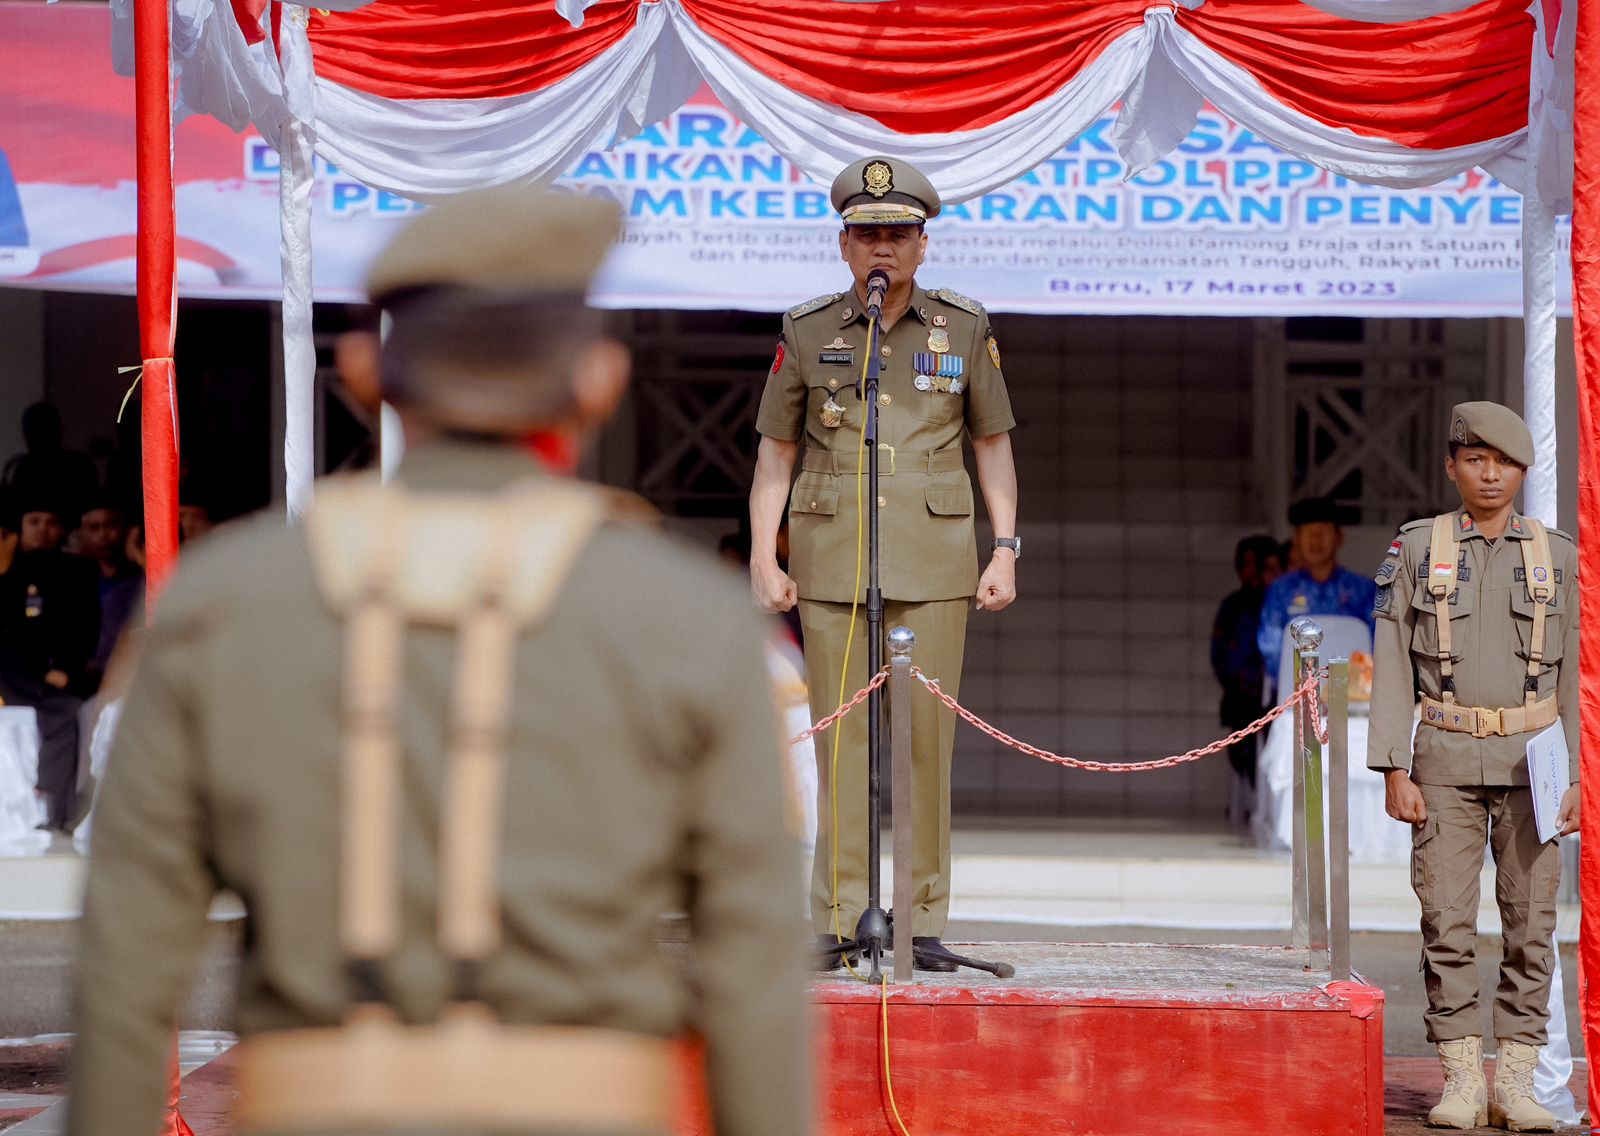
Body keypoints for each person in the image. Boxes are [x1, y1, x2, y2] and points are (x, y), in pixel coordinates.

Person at [67, 187, 809, 1136]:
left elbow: (127, 960)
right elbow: (752, 968)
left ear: (366, 375)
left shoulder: (223, 604)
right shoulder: (690, 620)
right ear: (599, 383)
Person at [749, 155, 1019, 971]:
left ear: (923, 245)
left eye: (898, 234)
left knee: (926, 746)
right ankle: (837, 914)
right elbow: (775, 455)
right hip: (831, 560)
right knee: (840, 746)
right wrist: (764, 554)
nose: (882, 250)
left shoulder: (964, 328)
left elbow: (992, 445)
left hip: (936, 559)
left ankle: (922, 916)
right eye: (867, 234)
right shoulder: (807, 329)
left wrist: (1005, 547)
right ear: (842, 244)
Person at [1368, 402, 1580, 1131]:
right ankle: (1460, 1079)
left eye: (1504, 463)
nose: (1489, 474)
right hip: (1447, 762)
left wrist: (1582, 776)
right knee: (1447, 922)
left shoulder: (1556, 554)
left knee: (1531, 925)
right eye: (1475, 460)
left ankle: (1515, 1081)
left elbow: (1579, 674)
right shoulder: (1418, 548)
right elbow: (1394, 659)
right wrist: (1394, 765)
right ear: (1452, 465)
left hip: (1537, 765)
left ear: (1524, 471)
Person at [0, 490, 101, 829]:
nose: (42, 529)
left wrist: (64, 668)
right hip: (14, 674)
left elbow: (88, 626)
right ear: (19, 528)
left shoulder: (79, 570)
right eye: (34, 522)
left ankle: (51, 808)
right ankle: (35, 807)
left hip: (58, 675)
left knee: (68, 710)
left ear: (62, 530)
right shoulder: (8, 570)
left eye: (51, 522)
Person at [1256, 495, 1376, 695]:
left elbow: (1377, 646)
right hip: (1293, 696)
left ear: (1339, 537)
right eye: (1308, 532)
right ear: (1296, 539)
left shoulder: (1363, 590)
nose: (1316, 540)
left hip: (1354, 699)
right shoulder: (1281, 591)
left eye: (1323, 531)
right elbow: (1271, 649)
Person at [1210, 534, 1284, 818]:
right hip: (1241, 695)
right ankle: (1253, 804)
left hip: (1277, 695)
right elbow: (1219, 655)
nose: (1251, 572)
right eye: (1246, 564)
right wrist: (1238, 680)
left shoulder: (1278, 601)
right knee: (1240, 750)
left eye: (1259, 565)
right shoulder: (1233, 606)